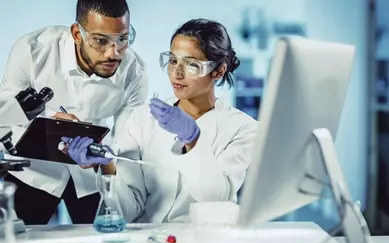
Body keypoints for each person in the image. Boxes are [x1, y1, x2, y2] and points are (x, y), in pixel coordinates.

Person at [64, 18, 258, 223]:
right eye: (173, 61)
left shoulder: (243, 129)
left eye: (192, 64)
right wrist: (105, 164)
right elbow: (128, 211)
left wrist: (193, 139)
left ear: (218, 71)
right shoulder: (142, 119)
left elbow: (215, 198)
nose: (177, 73)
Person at [0, 0, 148, 224]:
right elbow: (4, 118)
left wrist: (104, 157)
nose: (114, 53)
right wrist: (49, 126)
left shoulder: (134, 72)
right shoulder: (32, 50)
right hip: (34, 171)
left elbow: (129, 143)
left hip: (90, 174)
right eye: (101, 40)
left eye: (123, 39)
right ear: (77, 33)